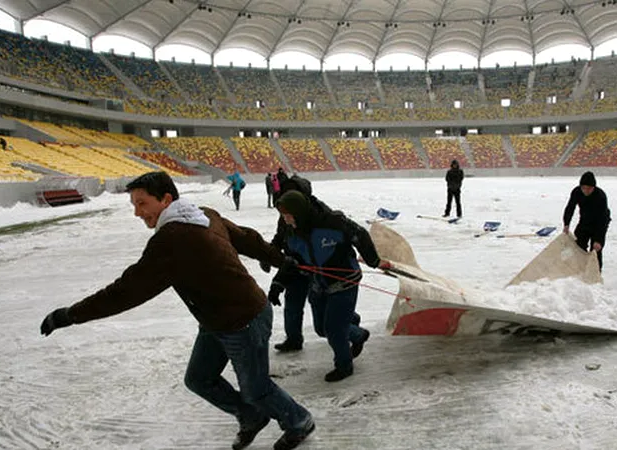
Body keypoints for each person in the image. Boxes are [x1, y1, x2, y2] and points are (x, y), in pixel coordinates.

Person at [39, 172, 315, 450]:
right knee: (199, 379)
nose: (137, 213)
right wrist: (278, 259)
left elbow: (126, 291)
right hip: (217, 319)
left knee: (256, 390)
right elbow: (245, 238)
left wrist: (70, 315)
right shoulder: (201, 214)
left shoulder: (173, 239)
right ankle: (250, 416)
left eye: (142, 203)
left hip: (243, 319)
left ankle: (299, 421)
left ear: (166, 199)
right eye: (134, 205)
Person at [270, 190, 390, 382]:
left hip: (344, 283)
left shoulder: (332, 223)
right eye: (283, 216)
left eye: (287, 215)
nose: (285, 220)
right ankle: (357, 332)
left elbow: (360, 235)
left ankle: (344, 365)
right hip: (318, 285)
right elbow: (292, 261)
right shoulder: (292, 233)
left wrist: (374, 260)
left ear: (298, 212)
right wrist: (278, 284)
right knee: (321, 329)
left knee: (334, 330)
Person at [260, 175, 361, 353]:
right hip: (296, 267)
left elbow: (342, 240)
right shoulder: (286, 216)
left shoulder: (322, 215)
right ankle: (293, 339)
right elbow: (280, 238)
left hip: (318, 271)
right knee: (292, 305)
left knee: (327, 317)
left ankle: (352, 327)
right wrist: (270, 258)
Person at [563, 171, 611, 271]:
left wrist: (598, 239)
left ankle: (595, 274)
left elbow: (602, 220)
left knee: (596, 250)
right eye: (583, 188)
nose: (586, 191)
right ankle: (580, 269)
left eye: (589, 188)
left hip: (599, 222)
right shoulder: (577, 192)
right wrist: (566, 223)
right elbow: (570, 208)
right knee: (579, 245)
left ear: (594, 187)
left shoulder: (600, 196)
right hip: (584, 221)